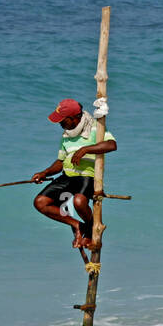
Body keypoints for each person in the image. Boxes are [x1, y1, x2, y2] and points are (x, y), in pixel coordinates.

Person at [31, 98, 117, 248]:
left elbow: (111, 145)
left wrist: (85, 149)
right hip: (68, 176)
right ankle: (78, 226)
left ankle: (91, 230)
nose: (60, 124)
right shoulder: (66, 135)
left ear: (74, 118)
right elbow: (60, 162)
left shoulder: (95, 128)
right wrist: (44, 172)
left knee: (79, 202)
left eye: (63, 121)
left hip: (87, 176)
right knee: (40, 202)